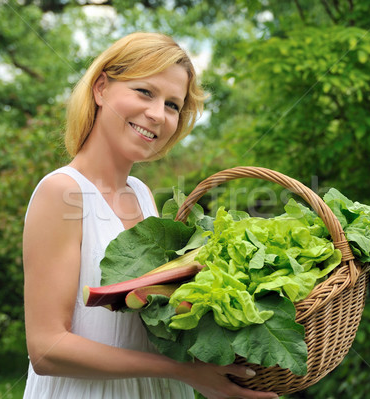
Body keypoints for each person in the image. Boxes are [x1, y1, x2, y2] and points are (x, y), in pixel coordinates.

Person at [22, 32, 280, 399]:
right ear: (100, 88)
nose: (158, 114)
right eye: (145, 92)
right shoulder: (63, 193)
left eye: (173, 105)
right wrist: (184, 372)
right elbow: (47, 349)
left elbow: (149, 319)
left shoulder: (142, 195)